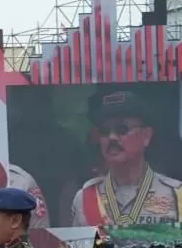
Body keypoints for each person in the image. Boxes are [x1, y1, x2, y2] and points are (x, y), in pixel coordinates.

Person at [71, 90, 182, 227]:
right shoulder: (85, 198)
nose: (112, 137)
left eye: (122, 129)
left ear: (146, 136)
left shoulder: (176, 194)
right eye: (105, 131)